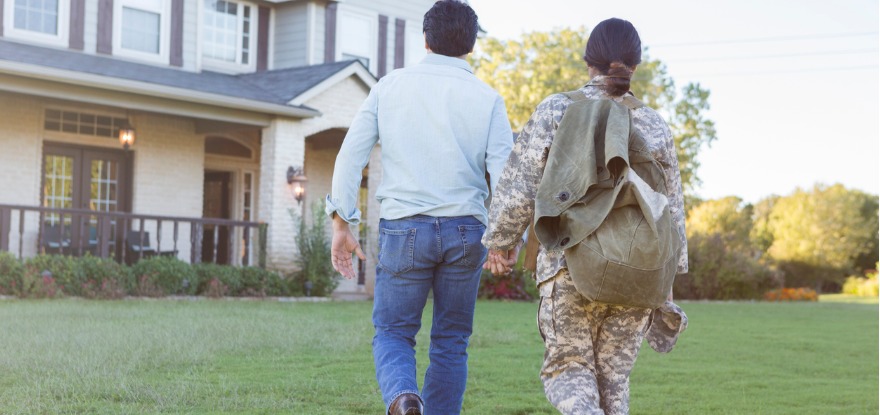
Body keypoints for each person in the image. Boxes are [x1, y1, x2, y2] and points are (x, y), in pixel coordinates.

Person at [482, 18, 688, 415]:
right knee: (615, 380)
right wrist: (668, 277)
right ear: (636, 64)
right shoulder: (655, 125)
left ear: (587, 61)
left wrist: (501, 243)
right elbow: (672, 209)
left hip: (570, 264)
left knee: (568, 367)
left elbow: (520, 185)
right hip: (638, 269)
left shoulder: (558, 110)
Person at [325, 1, 513, 414]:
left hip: (404, 229)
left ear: (425, 40)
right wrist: (504, 240)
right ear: (471, 45)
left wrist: (343, 223)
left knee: (393, 332)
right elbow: (506, 178)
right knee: (450, 340)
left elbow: (349, 156)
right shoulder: (488, 99)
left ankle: (404, 397)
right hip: (467, 230)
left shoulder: (388, 87)